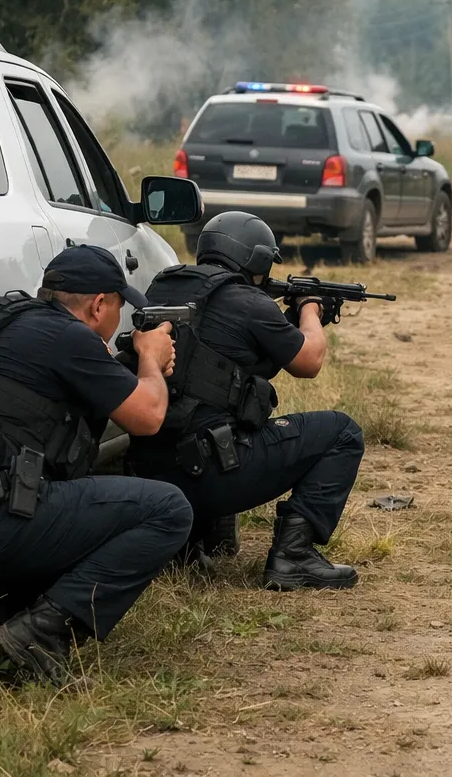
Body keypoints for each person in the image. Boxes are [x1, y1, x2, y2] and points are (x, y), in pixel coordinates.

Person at [0, 245, 191, 683]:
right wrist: (150, 358)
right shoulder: (70, 338)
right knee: (168, 510)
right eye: (117, 310)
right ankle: (40, 634)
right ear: (99, 305)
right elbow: (148, 416)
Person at [124, 211, 365, 591]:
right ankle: (294, 556)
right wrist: (310, 309)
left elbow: (228, 356)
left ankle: (183, 547)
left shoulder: (165, 286)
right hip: (215, 472)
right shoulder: (250, 302)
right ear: (255, 259)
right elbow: (309, 360)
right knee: (343, 432)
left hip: (151, 474)